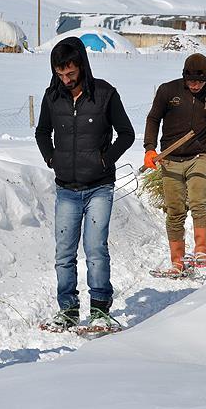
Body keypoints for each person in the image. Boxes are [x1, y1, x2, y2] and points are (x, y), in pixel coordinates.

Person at [35, 37, 135, 329]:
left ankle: (101, 309)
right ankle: (67, 309)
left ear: (82, 66)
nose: (65, 79)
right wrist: (51, 158)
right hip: (66, 188)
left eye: (70, 73)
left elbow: (126, 133)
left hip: (99, 187)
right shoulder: (52, 97)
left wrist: (106, 160)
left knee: (95, 249)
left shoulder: (104, 94)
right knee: (64, 253)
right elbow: (42, 132)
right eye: (60, 74)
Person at [144, 53, 206, 277]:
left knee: (199, 201)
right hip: (171, 158)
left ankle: (201, 250)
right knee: (175, 210)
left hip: (199, 155)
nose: (196, 85)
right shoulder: (167, 91)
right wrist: (150, 148)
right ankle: (177, 260)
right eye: (192, 81)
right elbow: (153, 119)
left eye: (200, 81)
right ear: (184, 77)